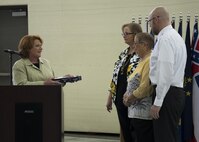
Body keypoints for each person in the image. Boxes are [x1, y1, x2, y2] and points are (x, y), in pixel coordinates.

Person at [148, 6, 187, 142]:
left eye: (150, 22)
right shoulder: (176, 37)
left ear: (157, 19)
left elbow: (165, 73)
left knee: (164, 137)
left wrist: (157, 102)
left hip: (167, 94)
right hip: (174, 93)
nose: (150, 26)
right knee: (170, 136)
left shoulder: (165, 39)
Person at [106, 23, 142, 142]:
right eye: (123, 33)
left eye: (127, 33)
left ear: (136, 34)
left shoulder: (142, 53)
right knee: (125, 130)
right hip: (119, 98)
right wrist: (110, 96)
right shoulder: (123, 53)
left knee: (135, 132)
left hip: (134, 99)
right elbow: (115, 76)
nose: (124, 36)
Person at [123, 32, 154, 142]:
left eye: (136, 43)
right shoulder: (142, 60)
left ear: (145, 45)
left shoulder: (150, 60)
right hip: (135, 113)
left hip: (143, 115)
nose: (133, 46)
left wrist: (130, 98)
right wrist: (126, 96)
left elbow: (146, 87)